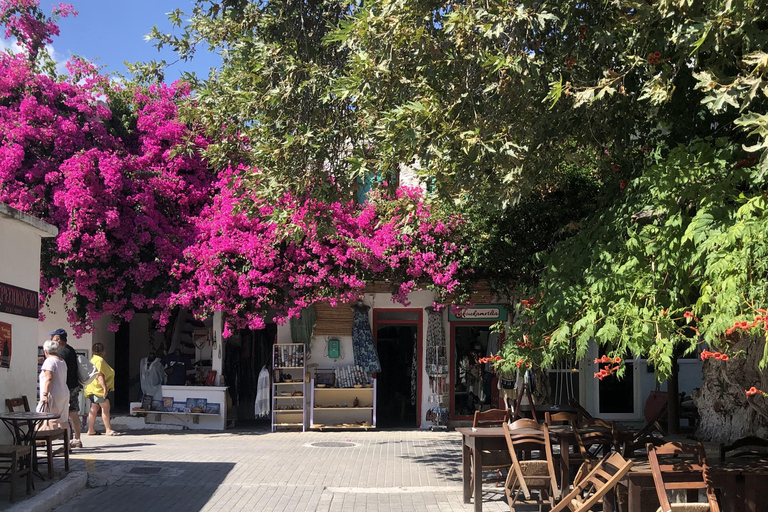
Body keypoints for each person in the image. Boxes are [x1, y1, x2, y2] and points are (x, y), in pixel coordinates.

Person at [49, 328, 83, 449]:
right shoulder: (70, 350)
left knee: (67, 414)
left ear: (58, 339)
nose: (51, 340)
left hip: (67, 387)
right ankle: (76, 439)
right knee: (72, 413)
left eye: (52, 338)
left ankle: (70, 439)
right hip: (72, 385)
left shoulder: (62, 353)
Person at [84, 342, 119, 436]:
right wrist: (104, 388)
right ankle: (108, 429)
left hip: (92, 388)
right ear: (103, 351)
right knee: (106, 407)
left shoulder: (92, 360)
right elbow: (99, 375)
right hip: (98, 389)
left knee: (94, 408)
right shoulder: (99, 361)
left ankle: (91, 430)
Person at [39, 339, 70, 435]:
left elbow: (49, 379)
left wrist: (45, 394)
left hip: (53, 393)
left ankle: (49, 445)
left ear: (45, 351)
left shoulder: (49, 361)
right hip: (63, 392)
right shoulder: (62, 361)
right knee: (63, 420)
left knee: (50, 418)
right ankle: (67, 446)